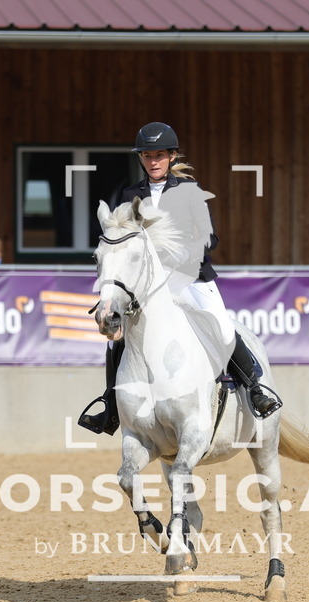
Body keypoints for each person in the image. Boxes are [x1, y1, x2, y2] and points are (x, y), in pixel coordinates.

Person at [78, 121, 280, 435]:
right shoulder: (131, 195)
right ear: (141, 158)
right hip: (150, 287)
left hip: (191, 278)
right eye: (147, 155)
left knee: (222, 326)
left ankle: (255, 389)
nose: (153, 161)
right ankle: (111, 406)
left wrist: (180, 252)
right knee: (118, 340)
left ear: (172, 156)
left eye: (159, 155)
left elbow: (210, 238)